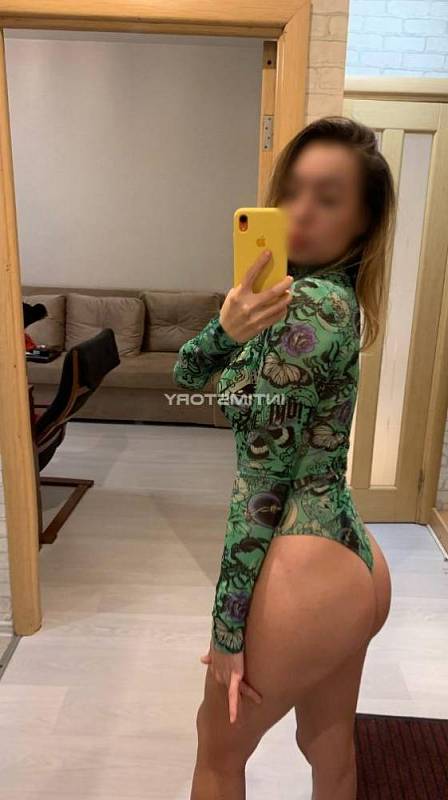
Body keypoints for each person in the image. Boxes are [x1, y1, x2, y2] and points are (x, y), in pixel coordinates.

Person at [172, 115, 395, 800]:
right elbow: (187, 373)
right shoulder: (321, 302)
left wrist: (227, 627)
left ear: (362, 222)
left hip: (304, 562)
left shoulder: (305, 311)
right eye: (293, 191)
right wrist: (226, 328)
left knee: (217, 752)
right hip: (351, 557)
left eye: (327, 198)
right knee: (327, 745)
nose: (300, 211)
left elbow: (262, 485)